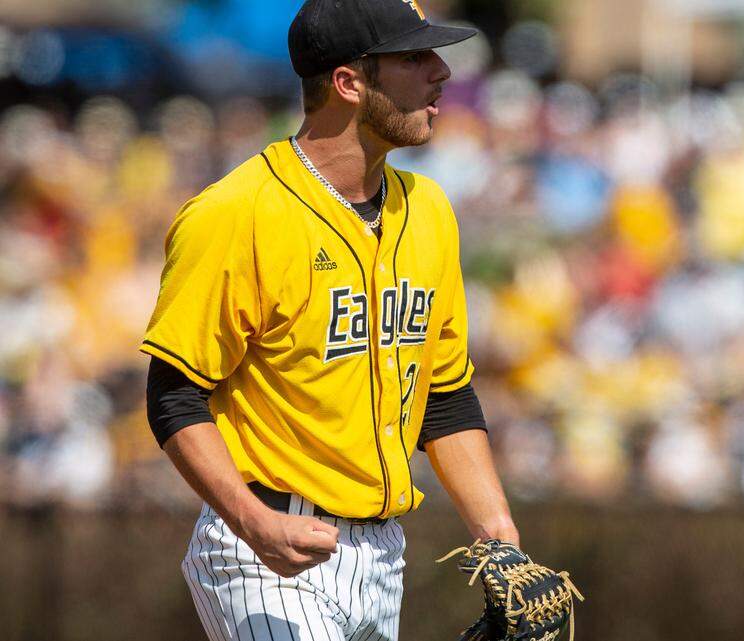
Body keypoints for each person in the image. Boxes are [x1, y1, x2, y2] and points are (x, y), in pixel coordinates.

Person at [141, 1, 518, 639]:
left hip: (382, 556)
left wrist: (499, 540)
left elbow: (444, 396)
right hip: (261, 548)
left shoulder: (428, 211)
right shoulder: (237, 212)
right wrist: (253, 524)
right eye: (413, 57)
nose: (441, 72)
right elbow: (174, 395)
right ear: (348, 83)